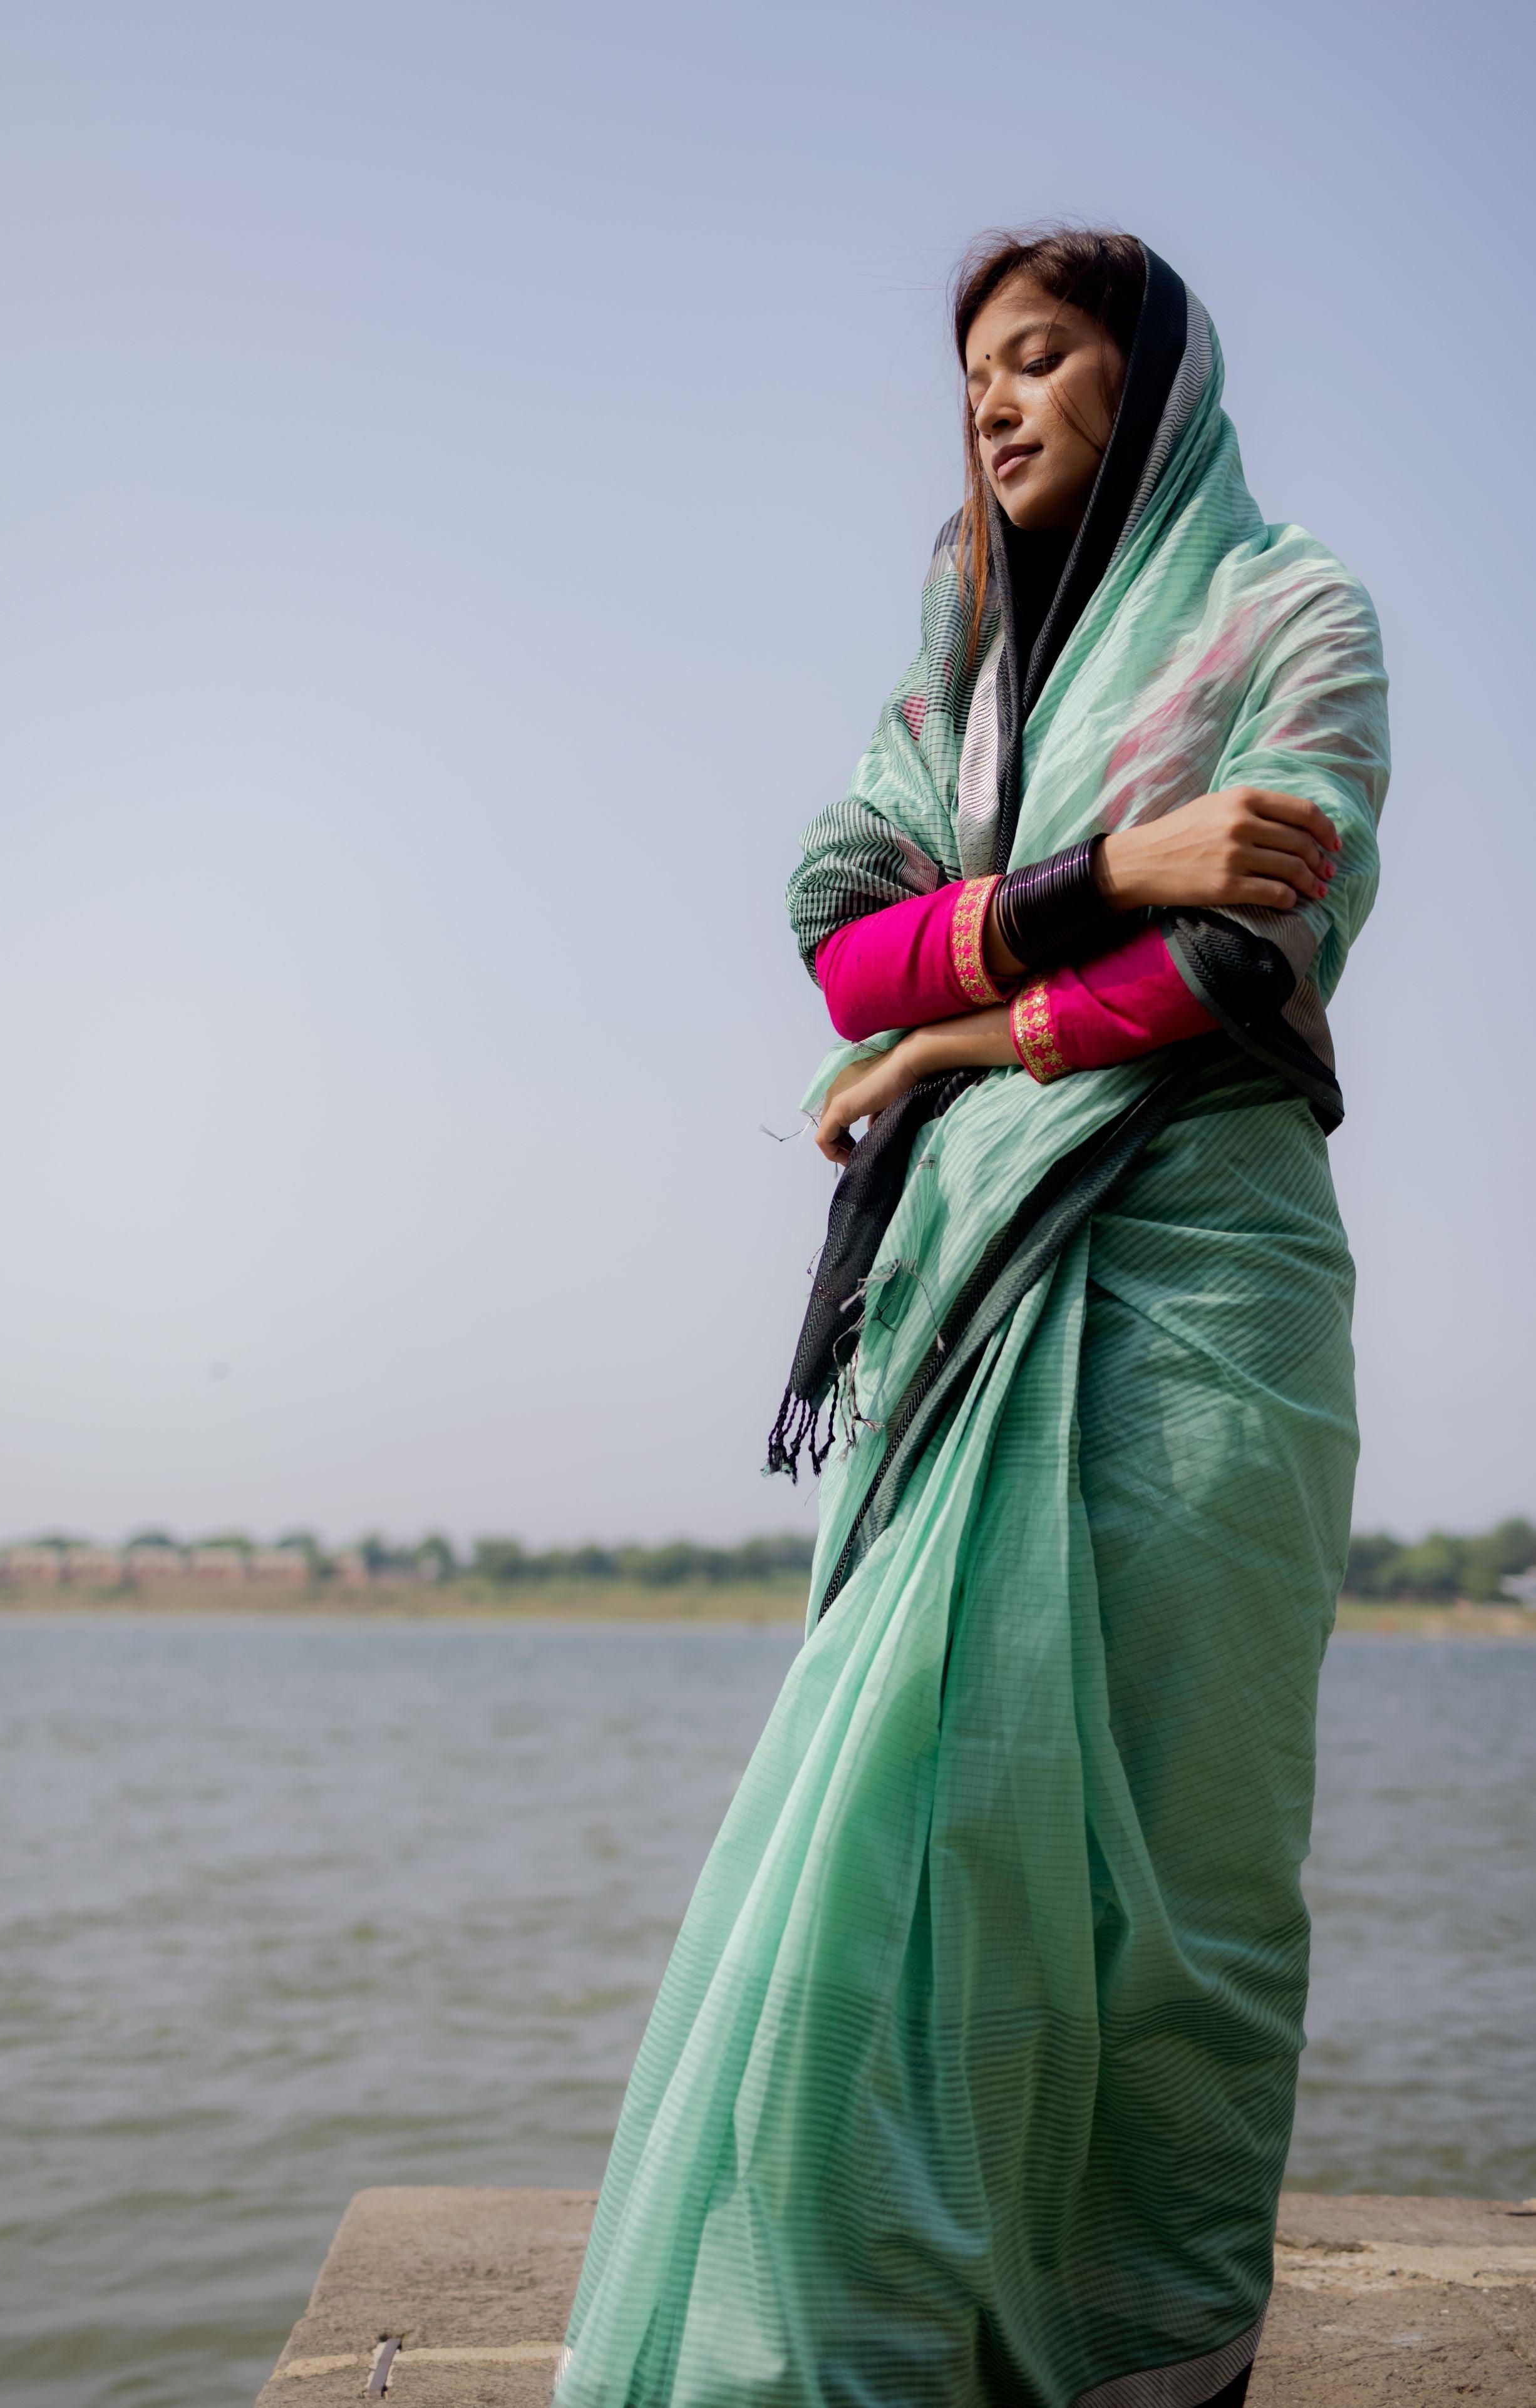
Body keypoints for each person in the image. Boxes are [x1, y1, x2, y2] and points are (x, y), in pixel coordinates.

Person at [555, 229, 1387, 2408]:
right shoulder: (967, 677)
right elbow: (843, 940)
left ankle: (1153, 2354)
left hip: (1207, 1282)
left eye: (1042, 360)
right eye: (974, 377)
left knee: (1187, 1882)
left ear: (1156, 387)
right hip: (968, 1302)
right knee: (904, 1847)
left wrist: (958, 1043)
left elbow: (1249, 973)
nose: (996, 403)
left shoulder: (1292, 620)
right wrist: (1117, 872)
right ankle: (860, 2334)